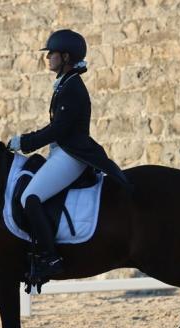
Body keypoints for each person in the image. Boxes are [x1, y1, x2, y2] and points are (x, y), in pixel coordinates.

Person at [7, 29, 130, 280]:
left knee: (30, 197)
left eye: (51, 53)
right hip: (62, 152)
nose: (47, 57)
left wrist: (25, 141)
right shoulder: (66, 83)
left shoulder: (72, 87)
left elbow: (59, 129)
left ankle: (51, 258)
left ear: (65, 56)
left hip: (71, 154)